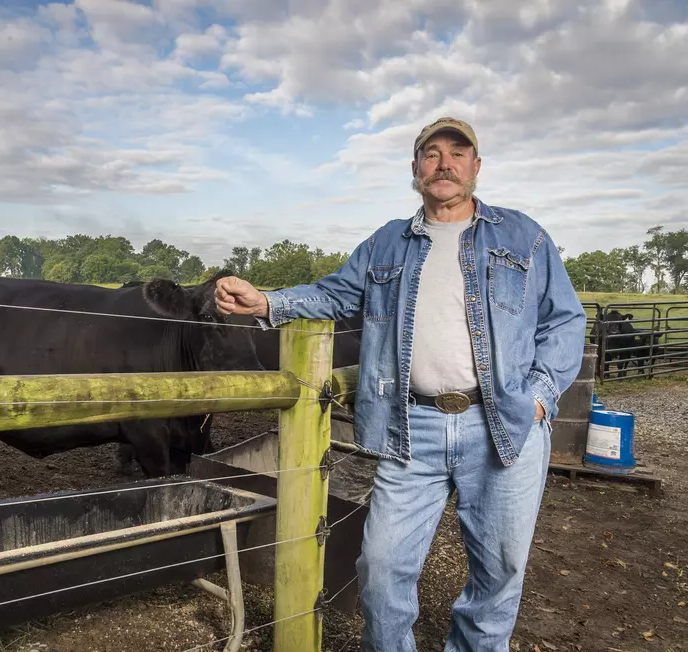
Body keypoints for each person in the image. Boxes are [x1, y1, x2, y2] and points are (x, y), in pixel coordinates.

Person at [214, 116, 586, 651]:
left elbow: (565, 320)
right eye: (431, 153)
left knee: (499, 570)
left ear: (476, 167)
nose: (445, 163)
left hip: (504, 422)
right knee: (382, 565)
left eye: (458, 153)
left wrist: (540, 397)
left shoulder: (523, 235)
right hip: (413, 427)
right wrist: (270, 302)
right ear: (416, 169)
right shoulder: (387, 242)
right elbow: (336, 294)